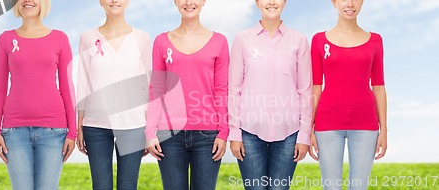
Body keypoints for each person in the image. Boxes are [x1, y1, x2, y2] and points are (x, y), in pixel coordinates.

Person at [144, 0, 230, 189]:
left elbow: (221, 89)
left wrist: (223, 132)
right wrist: (150, 132)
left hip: (208, 136)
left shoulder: (219, 42)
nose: (189, 2)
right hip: (169, 135)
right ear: (175, 2)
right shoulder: (161, 41)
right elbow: (156, 89)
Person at [228, 0, 312, 189]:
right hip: (249, 132)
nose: (272, 2)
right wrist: (235, 132)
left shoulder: (299, 40)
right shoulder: (242, 39)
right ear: (257, 3)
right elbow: (234, 89)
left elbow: (305, 91)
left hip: (289, 133)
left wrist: (304, 134)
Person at [0, 0, 76, 189]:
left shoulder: (60, 38)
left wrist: (72, 132)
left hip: (54, 132)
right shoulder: (5, 39)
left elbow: (67, 87)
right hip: (14, 133)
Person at [309, 0, 388, 189]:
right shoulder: (319, 40)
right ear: (334, 2)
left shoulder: (375, 40)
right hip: (327, 124)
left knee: (359, 186)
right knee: (331, 186)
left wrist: (383, 130)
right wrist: (309, 128)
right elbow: (315, 87)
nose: (350, 4)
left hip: (366, 124)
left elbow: (378, 86)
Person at [75, 0, 152, 189]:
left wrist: (149, 130)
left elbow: (148, 86)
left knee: (128, 186)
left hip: (133, 125)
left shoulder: (142, 38)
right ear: (101, 2)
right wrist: (79, 125)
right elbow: (83, 82)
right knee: (101, 186)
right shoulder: (88, 37)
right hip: (95, 125)